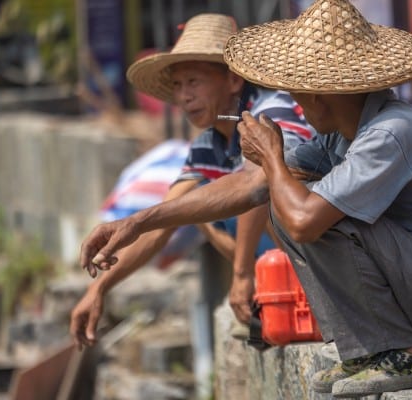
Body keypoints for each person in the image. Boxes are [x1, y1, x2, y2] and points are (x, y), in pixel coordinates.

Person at [78, 0, 412, 397]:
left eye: (298, 92)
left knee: (304, 208)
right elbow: (246, 186)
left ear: (320, 94)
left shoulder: (391, 133)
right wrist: (138, 222)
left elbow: (302, 219)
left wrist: (271, 157)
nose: (293, 101)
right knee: (284, 195)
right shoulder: (339, 137)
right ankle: (373, 350)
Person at [70, 13, 314, 350]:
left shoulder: (271, 110)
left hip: (320, 246)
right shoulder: (207, 144)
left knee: (248, 192)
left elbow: (259, 184)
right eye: (178, 85)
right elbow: (160, 224)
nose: (184, 96)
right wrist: (97, 289)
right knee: (191, 209)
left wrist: (241, 274)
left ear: (232, 81)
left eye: (194, 82)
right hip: (279, 260)